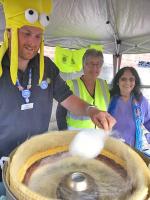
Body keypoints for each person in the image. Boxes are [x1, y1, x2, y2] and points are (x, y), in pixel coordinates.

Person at [0, 0, 116, 187]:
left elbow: (68, 99)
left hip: (35, 159)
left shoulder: (47, 67)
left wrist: (92, 110)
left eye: (38, 36)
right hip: (3, 161)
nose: (32, 42)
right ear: (10, 32)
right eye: (27, 33)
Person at [56, 49, 110, 130]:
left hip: (99, 135)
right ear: (84, 65)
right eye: (91, 64)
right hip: (75, 135)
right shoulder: (70, 85)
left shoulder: (104, 85)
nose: (94, 68)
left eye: (98, 64)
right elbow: (60, 114)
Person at [108, 66, 150, 151]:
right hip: (111, 148)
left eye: (131, 79)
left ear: (135, 82)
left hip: (133, 149)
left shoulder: (141, 101)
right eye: (123, 79)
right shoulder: (109, 98)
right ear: (117, 82)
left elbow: (148, 121)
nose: (127, 82)